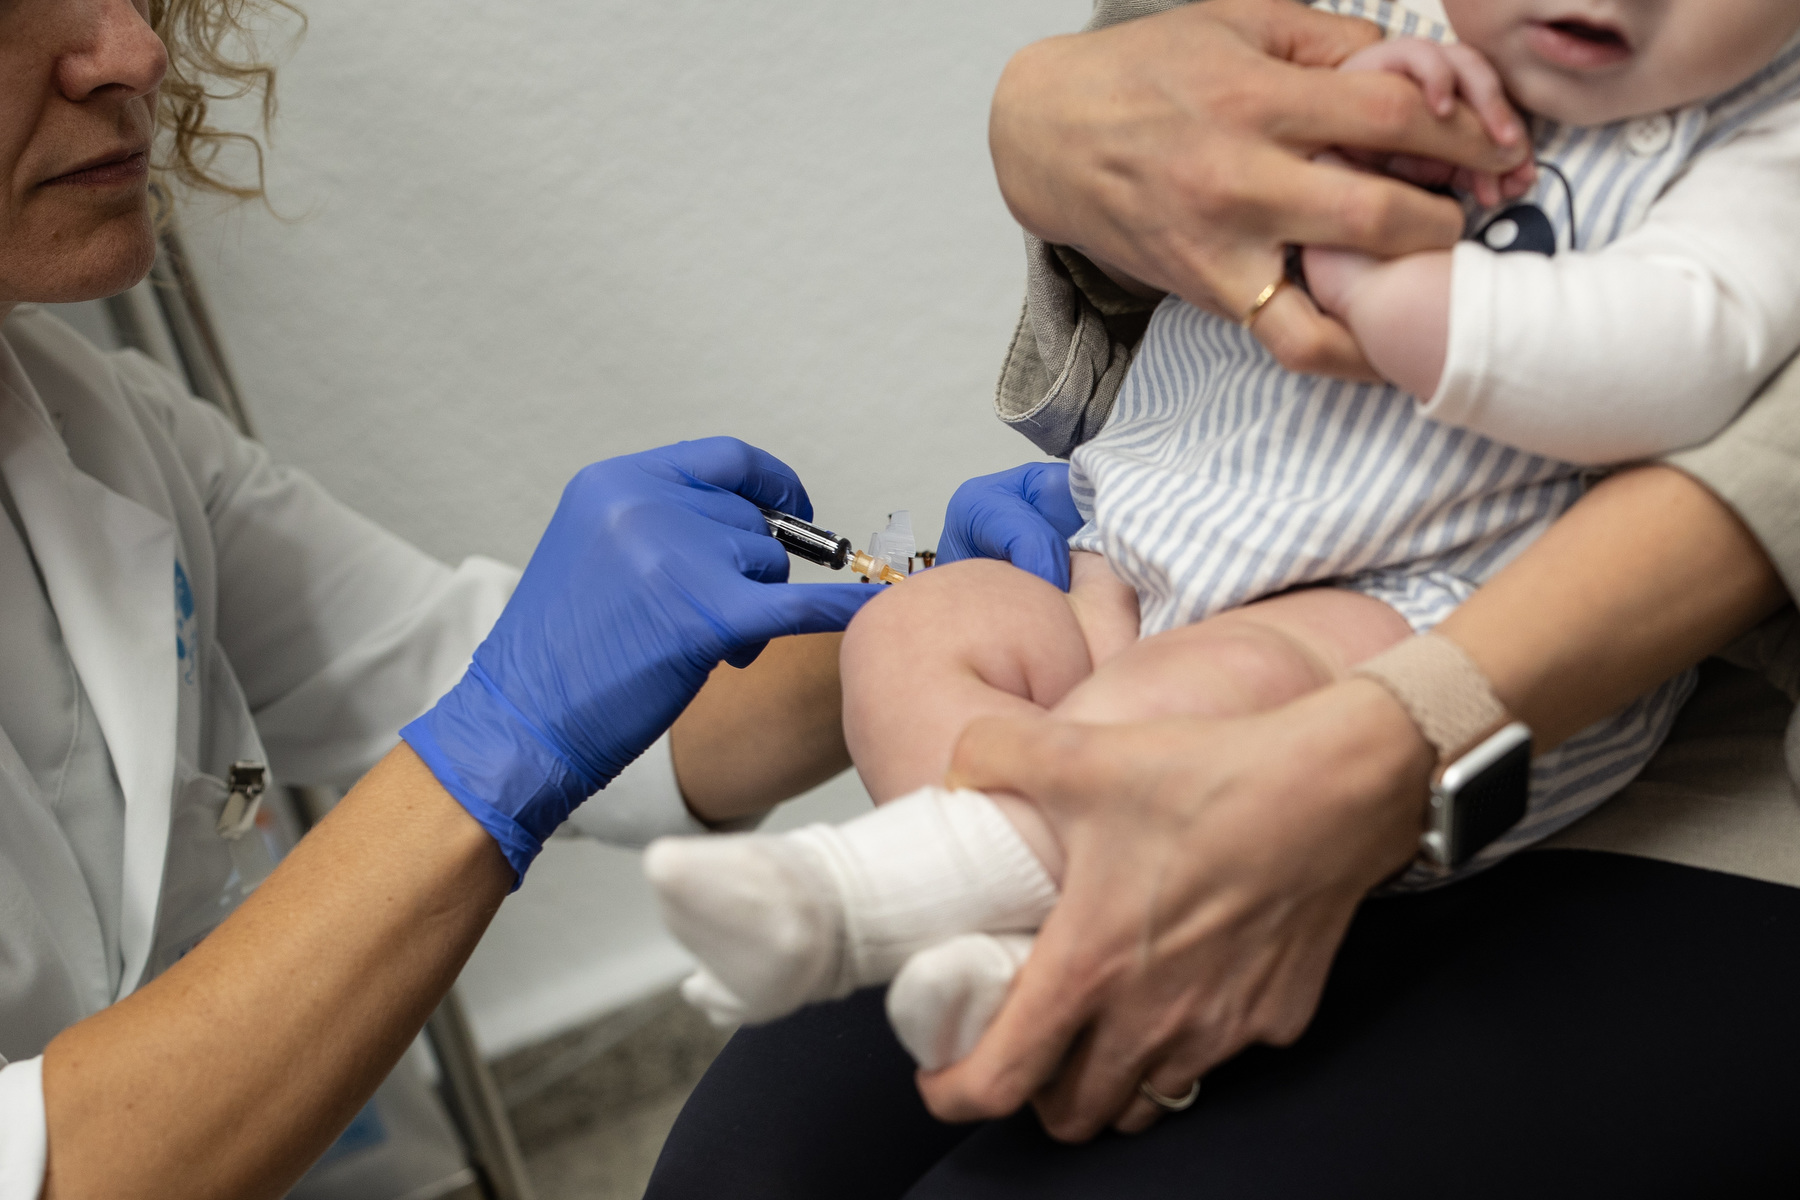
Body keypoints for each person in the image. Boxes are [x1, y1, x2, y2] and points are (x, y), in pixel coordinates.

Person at [642, 0, 1800, 1193]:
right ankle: (990, 943)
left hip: (1417, 601)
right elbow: (1143, 144)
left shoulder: (1765, 142)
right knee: (918, 629)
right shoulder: (1371, 29)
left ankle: (851, 900)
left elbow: (1678, 358)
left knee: (1152, 713)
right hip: (1156, 538)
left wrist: (1390, 291)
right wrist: (1063, 123)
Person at [0, 1, 1048, 1195]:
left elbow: (509, 678)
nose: (133, 52)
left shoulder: (95, 425)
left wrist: (939, 609)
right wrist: (506, 737)